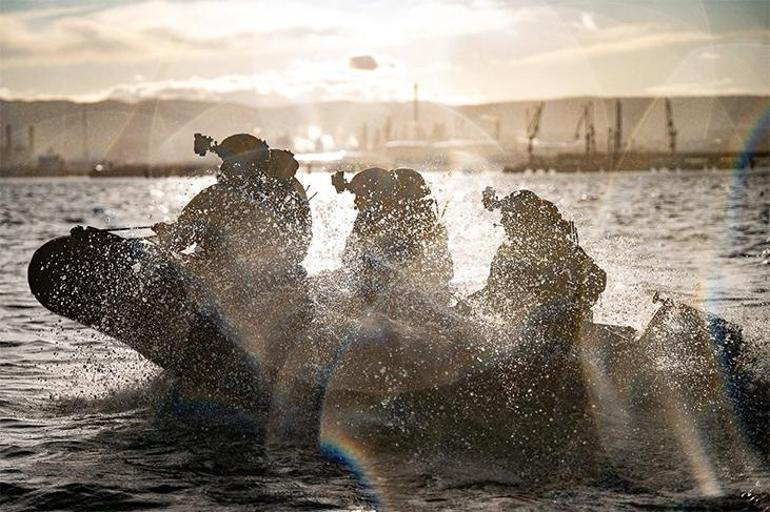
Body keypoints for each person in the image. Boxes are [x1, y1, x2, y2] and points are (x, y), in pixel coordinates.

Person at [152, 134, 312, 281]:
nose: (223, 168)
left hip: (224, 281)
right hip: (278, 278)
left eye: (227, 162)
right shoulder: (287, 191)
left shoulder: (215, 196)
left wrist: (166, 232)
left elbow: (178, 240)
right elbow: (301, 246)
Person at [472, 188, 605, 332]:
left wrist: (574, 302)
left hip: (566, 324)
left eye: (509, 219)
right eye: (504, 219)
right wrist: (471, 306)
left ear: (526, 219)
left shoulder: (559, 244)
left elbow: (597, 278)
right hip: (524, 328)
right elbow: (494, 292)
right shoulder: (507, 252)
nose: (504, 223)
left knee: (554, 311)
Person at [332, 167, 453, 306]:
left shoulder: (406, 234)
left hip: (404, 305)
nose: (356, 203)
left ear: (379, 197)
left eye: (359, 195)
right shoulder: (376, 225)